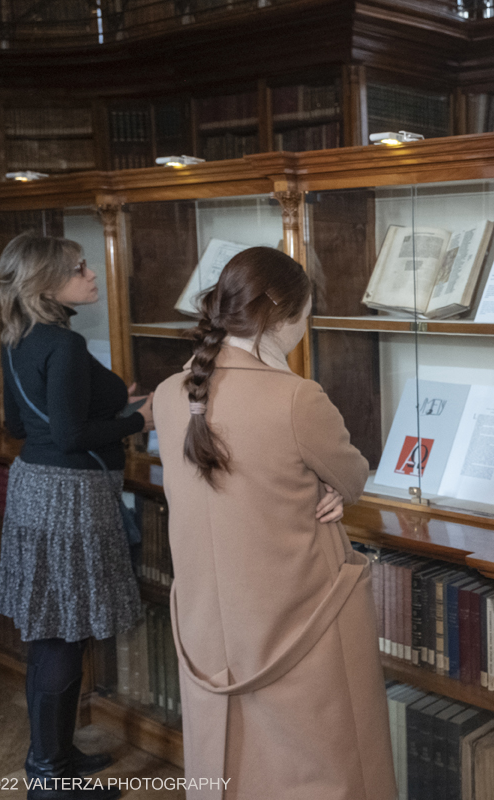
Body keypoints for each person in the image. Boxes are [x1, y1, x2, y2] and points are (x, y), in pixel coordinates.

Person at [151, 247, 394, 800]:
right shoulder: (296, 397)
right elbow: (353, 475)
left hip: (209, 625)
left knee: (232, 767)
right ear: (281, 314)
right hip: (302, 617)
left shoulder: (171, 394)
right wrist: (330, 483)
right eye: (305, 317)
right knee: (328, 765)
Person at [0, 232, 150, 800]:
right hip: (70, 500)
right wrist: (141, 418)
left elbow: (20, 426)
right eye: (80, 268)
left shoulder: (19, 337)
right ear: (47, 282)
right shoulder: (62, 345)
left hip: (35, 491)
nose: (92, 275)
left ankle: (53, 757)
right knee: (61, 634)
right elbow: (70, 435)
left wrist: (109, 403)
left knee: (51, 632)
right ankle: (48, 778)